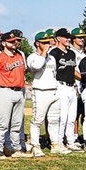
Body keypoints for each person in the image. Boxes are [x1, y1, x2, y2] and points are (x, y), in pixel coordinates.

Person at [0, 30, 27, 156]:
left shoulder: (19, 56)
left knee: (17, 123)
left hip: (19, 91)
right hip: (5, 91)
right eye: (11, 41)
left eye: (16, 41)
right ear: (4, 43)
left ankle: (16, 148)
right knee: (3, 123)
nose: (15, 43)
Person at [26, 29, 61, 158]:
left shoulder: (51, 58)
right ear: (37, 43)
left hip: (53, 91)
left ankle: (55, 144)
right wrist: (44, 52)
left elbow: (54, 73)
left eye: (48, 41)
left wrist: (47, 53)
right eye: (44, 42)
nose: (48, 43)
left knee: (54, 120)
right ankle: (35, 145)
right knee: (37, 120)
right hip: (40, 91)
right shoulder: (33, 57)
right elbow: (36, 67)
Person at [46, 30, 76, 156]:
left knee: (71, 117)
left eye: (69, 37)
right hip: (60, 85)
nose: (68, 39)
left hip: (71, 86)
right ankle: (58, 142)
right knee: (62, 117)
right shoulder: (54, 52)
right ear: (58, 38)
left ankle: (70, 141)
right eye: (65, 37)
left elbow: (72, 70)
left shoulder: (71, 53)